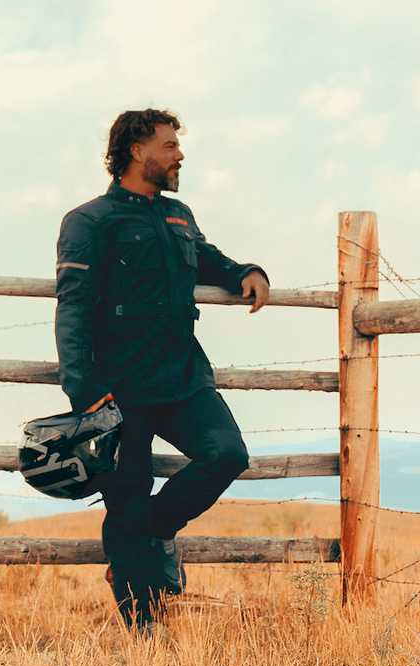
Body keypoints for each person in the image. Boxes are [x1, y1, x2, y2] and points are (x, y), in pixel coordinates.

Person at [53, 108, 270, 625]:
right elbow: (74, 307)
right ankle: (144, 632)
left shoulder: (179, 215)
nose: (179, 154)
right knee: (125, 499)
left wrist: (247, 272)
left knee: (227, 454)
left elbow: (209, 258)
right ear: (136, 151)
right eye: (169, 145)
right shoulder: (88, 222)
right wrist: (83, 390)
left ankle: (151, 536)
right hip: (119, 389)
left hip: (183, 380)